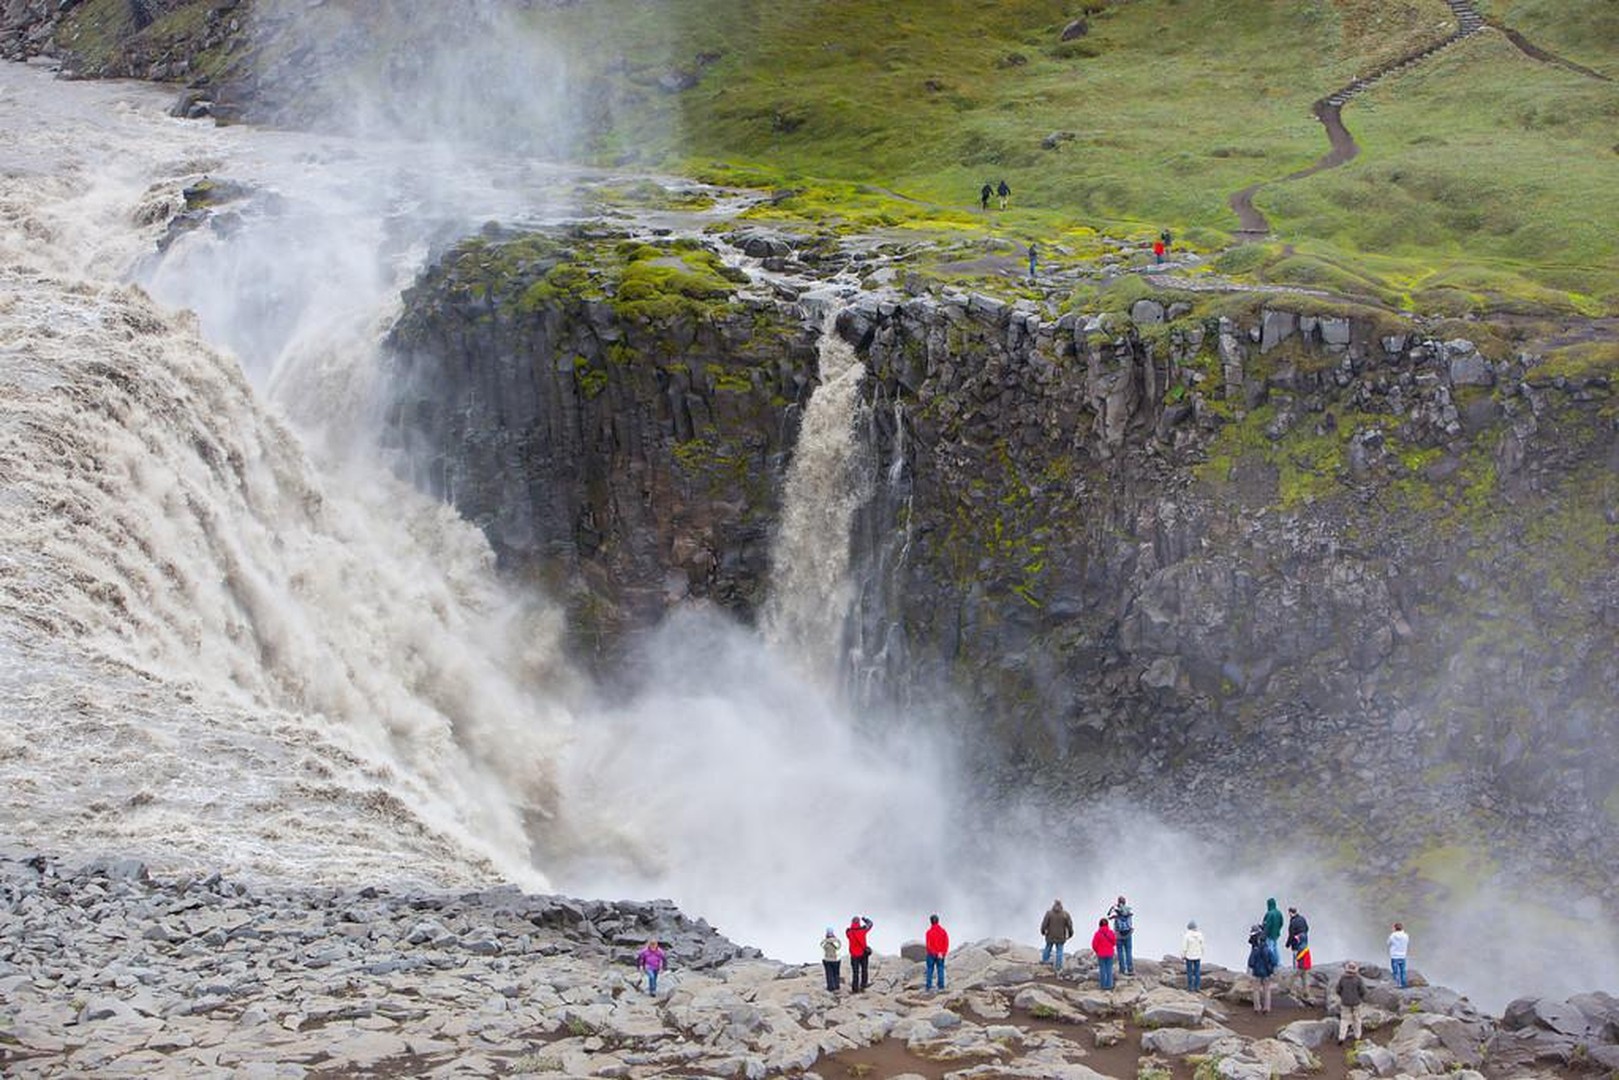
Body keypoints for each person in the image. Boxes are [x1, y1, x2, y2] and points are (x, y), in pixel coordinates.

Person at [1247, 923, 1276, 1013]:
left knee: (1256, 990)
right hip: (1267, 972)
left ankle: (1257, 1008)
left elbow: (1251, 963)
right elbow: (1274, 961)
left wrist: (1252, 969)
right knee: (1267, 990)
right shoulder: (1268, 950)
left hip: (1257, 972)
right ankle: (1267, 1008)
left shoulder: (1255, 950)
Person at [1335, 961, 1366, 1044]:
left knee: (1344, 1020)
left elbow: (1338, 990)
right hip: (1356, 1002)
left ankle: (1341, 1037)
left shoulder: (1342, 978)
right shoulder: (1358, 979)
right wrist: (1360, 998)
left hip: (1345, 1002)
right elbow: (1363, 991)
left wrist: (1342, 996)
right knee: (1357, 1019)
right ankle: (1357, 1036)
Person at [1286, 906, 1312, 1003]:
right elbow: (1307, 928)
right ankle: (1306, 992)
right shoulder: (1302, 919)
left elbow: (1291, 934)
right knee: (1305, 973)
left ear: (1290, 913)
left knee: (1296, 970)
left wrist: (1288, 944)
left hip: (1297, 947)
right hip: (1304, 945)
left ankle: (1292, 989)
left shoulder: (1293, 922)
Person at [1041, 900, 1074, 970]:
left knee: (1048, 948)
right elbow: (1069, 926)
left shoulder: (1049, 913)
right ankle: (1058, 966)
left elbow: (1044, 924)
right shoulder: (1065, 914)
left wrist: (1043, 932)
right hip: (1061, 936)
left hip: (1050, 935)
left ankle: (1044, 961)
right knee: (1059, 951)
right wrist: (1071, 934)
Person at [1107, 896, 1135, 976]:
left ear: (1118, 902)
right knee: (1128, 952)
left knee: (1120, 952)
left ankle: (1122, 970)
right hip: (1128, 933)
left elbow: (1108, 916)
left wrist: (1113, 907)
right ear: (1125, 902)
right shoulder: (1128, 910)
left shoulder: (1116, 911)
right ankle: (1130, 969)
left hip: (1118, 935)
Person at [846, 916, 873, 993]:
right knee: (864, 970)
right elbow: (870, 924)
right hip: (863, 954)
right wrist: (865, 919)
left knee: (855, 972)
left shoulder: (849, 932)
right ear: (859, 922)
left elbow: (847, 934)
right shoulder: (863, 930)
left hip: (854, 955)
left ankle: (855, 988)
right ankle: (863, 984)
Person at [924, 914, 949, 992]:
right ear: (938, 921)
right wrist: (942, 953)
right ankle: (941, 986)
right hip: (940, 954)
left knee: (930, 970)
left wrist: (934, 952)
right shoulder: (943, 931)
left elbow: (928, 945)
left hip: (931, 954)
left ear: (930, 922)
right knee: (940, 969)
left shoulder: (928, 932)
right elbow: (946, 943)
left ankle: (929, 986)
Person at [1092, 917, 1117, 990]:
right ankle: (1109, 985)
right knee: (1109, 969)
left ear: (1099, 925)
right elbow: (1114, 942)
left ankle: (1103, 985)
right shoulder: (1111, 932)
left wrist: (1097, 951)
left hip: (1101, 954)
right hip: (1109, 953)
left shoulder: (1097, 934)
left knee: (1102, 969)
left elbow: (1094, 945)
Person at [1181, 920, 1206, 991]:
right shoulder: (1200, 935)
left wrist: (1183, 955)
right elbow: (1203, 946)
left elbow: (1184, 947)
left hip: (1189, 956)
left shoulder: (1186, 935)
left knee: (1189, 972)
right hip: (1197, 956)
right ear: (1195, 927)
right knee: (1197, 972)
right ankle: (1197, 987)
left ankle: (1190, 988)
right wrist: (1202, 953)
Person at [1262, 899, 1284, 967]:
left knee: (1270, 948)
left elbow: (1267, 925)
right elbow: (1281, 923)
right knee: (1275, 948)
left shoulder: (1269, 914)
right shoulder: (1279, 912)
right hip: (1276, 934)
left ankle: (1272, 963)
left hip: (1269, 935)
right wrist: (1278, 930)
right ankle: (1279, 963)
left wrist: (1264, 935)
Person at [1388, 923, 1410, 989]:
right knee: (1403, 971)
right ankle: (1404, 985)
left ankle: (1396, 984)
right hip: (1403, 955)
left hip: (1394, 955)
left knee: (1395, 972)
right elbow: (1407, 943)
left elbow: (1388, 943)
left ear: (1395, 928)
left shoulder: (1392, 936)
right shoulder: (1406, 935)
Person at [821, 927, 842, 992]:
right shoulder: (837, 941)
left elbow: (822, 945)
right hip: (836, 959)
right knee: (836, 973)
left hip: (827, 959)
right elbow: (838, 947)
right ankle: (837, 986)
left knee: (829, 973)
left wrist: (826, 939)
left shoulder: (825, 941)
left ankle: (830, 987)